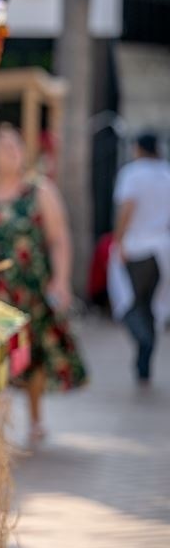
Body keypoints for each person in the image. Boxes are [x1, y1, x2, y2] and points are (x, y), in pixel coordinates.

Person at [0, 124, 86, 443]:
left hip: (30, 286)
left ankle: (36, 417)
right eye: (5, 147)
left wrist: (61, 281)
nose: (14, 151)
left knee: (33, 352)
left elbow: (58, 238)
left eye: (17, 145)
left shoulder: (39, 191)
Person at [112, 133, 170, 386]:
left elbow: (127, 208)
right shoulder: (167, 174)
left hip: (137, 247)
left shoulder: (133, 174)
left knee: (133, 305)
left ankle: (144, 344)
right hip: (162, 249)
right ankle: (143, 363)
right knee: (149, 307)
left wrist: (119, 239)